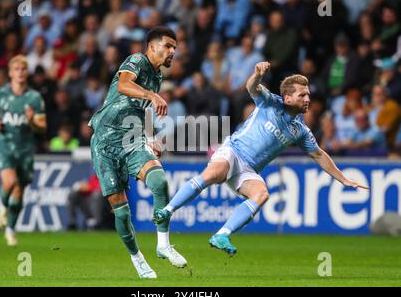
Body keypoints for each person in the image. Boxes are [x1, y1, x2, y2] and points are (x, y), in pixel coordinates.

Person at [154, 61, 369, 256]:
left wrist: (343, 179)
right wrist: (257, 74)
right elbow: (251, 87)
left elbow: (319, 155)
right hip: (233, 151)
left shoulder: (300, 130)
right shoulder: (270, 103)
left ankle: (222, 235)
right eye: (302, 95)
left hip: (249, 170)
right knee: (214, 174)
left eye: (308, 94)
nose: (308, 99)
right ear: (287, 97)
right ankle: (167, 211)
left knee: (261, 194)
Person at [88, 26, 186, 279]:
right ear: (152, 47)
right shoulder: (136, 60)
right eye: (168, 46)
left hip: (132, 140)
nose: (172, 51)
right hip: (105, 143)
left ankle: (163, 244)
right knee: (120, 212)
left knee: (159, 182)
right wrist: (152, 95)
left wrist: (151, 138)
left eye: (175, 47)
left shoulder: (157, 77)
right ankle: (137, 258)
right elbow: (123, 85)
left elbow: (141, 111)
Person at [0, 55, 47, 246]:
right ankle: (2, 207)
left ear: (27, 72)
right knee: (10, 181)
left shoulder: (34, 98)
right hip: (5, 146)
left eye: (23, 69)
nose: (20, 72)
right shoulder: (1, 95)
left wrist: (31, 121)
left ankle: (10, 230)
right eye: (17, 69)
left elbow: (42, 126)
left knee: (19, 192)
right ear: (10, 73)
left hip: (26, 149)